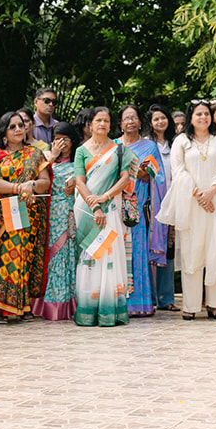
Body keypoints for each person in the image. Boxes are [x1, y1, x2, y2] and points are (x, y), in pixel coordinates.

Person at [161, 100, 216, 321]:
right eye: (198, 114)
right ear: (190, 118)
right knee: (192, 252)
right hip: (191, 203)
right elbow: (179, 171)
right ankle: (191, 305)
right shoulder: (181, 141)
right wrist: (198, 194)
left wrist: (212, 190)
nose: (203, 117)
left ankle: (215, 305)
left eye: (206, 114)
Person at [72, 107, 137, 327]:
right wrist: (94, 205)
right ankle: (88, 312)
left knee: (110, 256)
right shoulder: (81, 151)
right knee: (88, 257)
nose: (102, 124)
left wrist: (105, 197)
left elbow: (125, 178)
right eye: (98, 120)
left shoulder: (119, 150)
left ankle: (111, 310)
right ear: (90, 124)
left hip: (111, 209)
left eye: (106, 121)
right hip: (87, 210)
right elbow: (79, 181)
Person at [0, 109, 51, 323]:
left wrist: (30, 185)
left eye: (21, 125)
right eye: (12, 126)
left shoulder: (35, 154)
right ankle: (3, 307)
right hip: (3, 214)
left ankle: (21, 305)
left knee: (24, 257)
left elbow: (45, 182)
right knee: (6, 256)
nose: (18, 129)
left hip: (28, 214)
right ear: (3, 133)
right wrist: (17, 188)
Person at [34, 122, 81, 321]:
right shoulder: (45, 159)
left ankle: (68, 302)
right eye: (57, 139)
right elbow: (34, 178)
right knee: (51, 256)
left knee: (68, 255)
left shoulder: (79, 162)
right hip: (48, 215)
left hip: (70, 214)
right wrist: (52, 156)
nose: (61, 143)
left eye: (66, 139)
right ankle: (51, 303)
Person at [119, 105, 160, 315]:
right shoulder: (114, 146)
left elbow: (157, 176)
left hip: (136, 207)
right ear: (120, 124)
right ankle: (118, 302)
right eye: (126, 118)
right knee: (117, 253)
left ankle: (140, 304)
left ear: (140, 122)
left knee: (137, 252)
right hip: (115, 206)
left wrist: (144, 173)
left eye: (134, 117)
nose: (131, 121)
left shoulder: (149, 147)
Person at [142, 105, 177, 310]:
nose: (160, 122)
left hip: (174, 200)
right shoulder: (146, 144)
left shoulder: (176, 143)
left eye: (163, 118)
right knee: (151, 247)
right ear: (150, 122)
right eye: (156, 119)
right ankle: (152, 296)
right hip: (151, 203)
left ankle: (167, 298)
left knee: (169, 248)